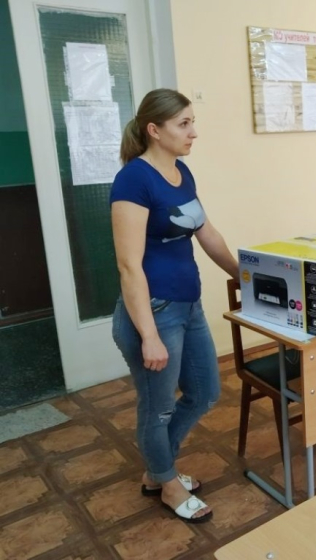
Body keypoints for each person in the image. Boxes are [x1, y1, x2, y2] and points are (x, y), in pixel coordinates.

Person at [110, 88, 238, 523]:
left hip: (188, 305)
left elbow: (207, 233)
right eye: (184, 124)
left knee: (205, 392)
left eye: (192, 122)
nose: (193, 132)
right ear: (154, 130)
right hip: (155, 312)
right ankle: (165, 481)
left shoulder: (181, 172)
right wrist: (148, 335)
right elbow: (129, 266)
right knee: (158, 406)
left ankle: (157, 467)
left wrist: (243, 275)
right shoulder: (134, 180)